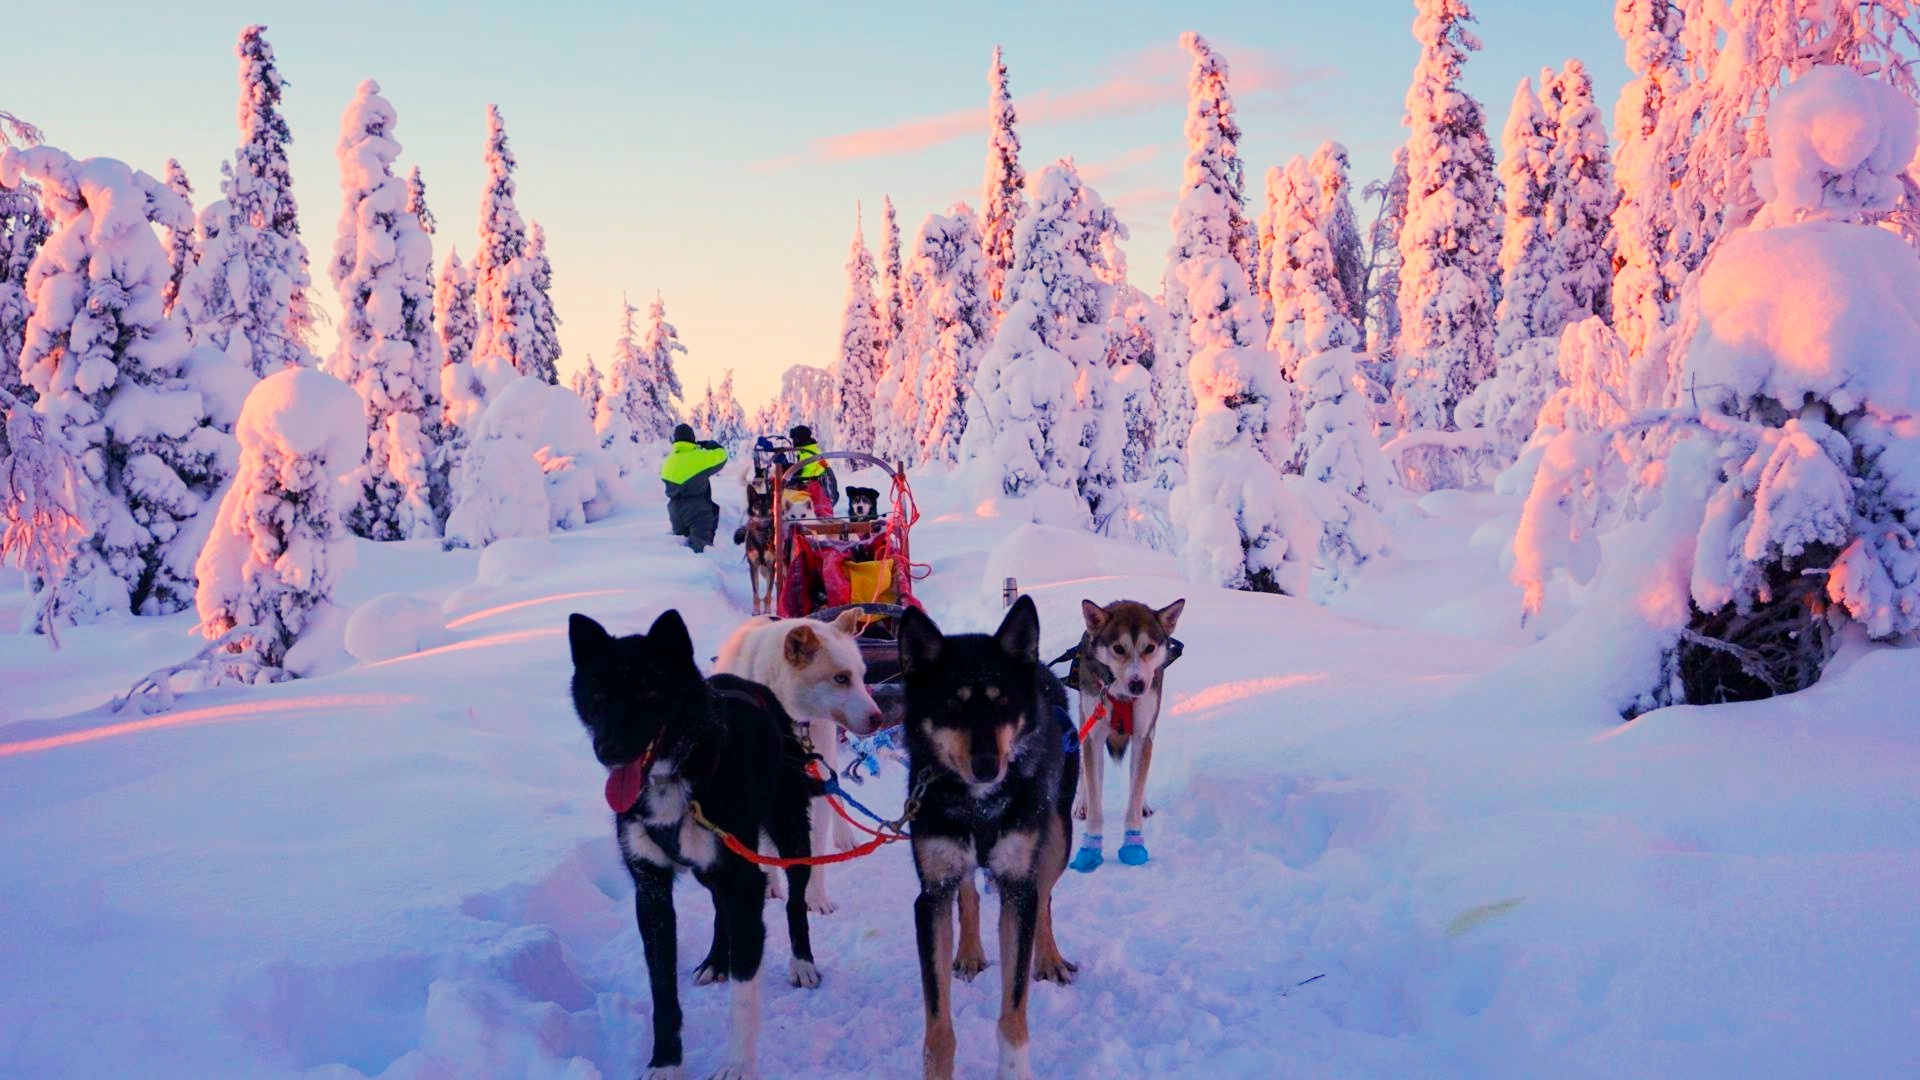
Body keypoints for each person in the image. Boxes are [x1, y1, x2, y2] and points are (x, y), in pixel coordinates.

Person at [660, 423, 729, 552]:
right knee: (700, 551)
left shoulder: (667, 462)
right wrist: (710, 445)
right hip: (699, 511)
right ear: (692, 438)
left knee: (680, 549)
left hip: (675, 511)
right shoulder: (699, 458)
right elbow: (722, 456)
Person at [790, 425, 837, 516]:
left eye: (794, 438)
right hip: (820, 484)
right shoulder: (813, 449)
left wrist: (791, 478)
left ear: (798, 439)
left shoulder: (806, 453)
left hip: (810, 486)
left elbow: (800, 471)